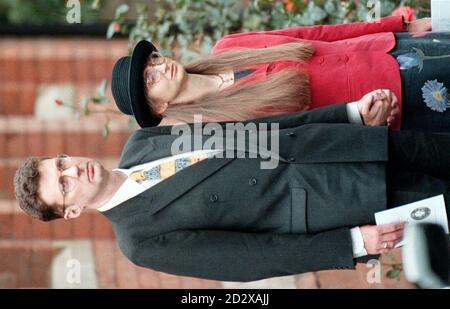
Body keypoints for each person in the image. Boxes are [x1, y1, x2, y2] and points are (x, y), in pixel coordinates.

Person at [14, 102, 450, 282]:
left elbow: (250, 132)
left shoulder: (140, 142)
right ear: (70, 212)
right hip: (336, 199)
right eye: (64, 183)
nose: (73, 170)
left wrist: (350, 113)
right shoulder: (139, 240)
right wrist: (352, 243)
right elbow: (248, 260)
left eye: (62, 163)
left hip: (334, 143)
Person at [111, 15, 450, 132]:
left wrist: (399, 25)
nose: (158, 67)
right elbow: (309, 139)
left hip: (390, 49)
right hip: (392, 101)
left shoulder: (227, 46)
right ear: (156, 108)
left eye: (152, 60)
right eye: (149, 80)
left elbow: (315, 35)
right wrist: (366, 123)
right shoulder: (223, 127)